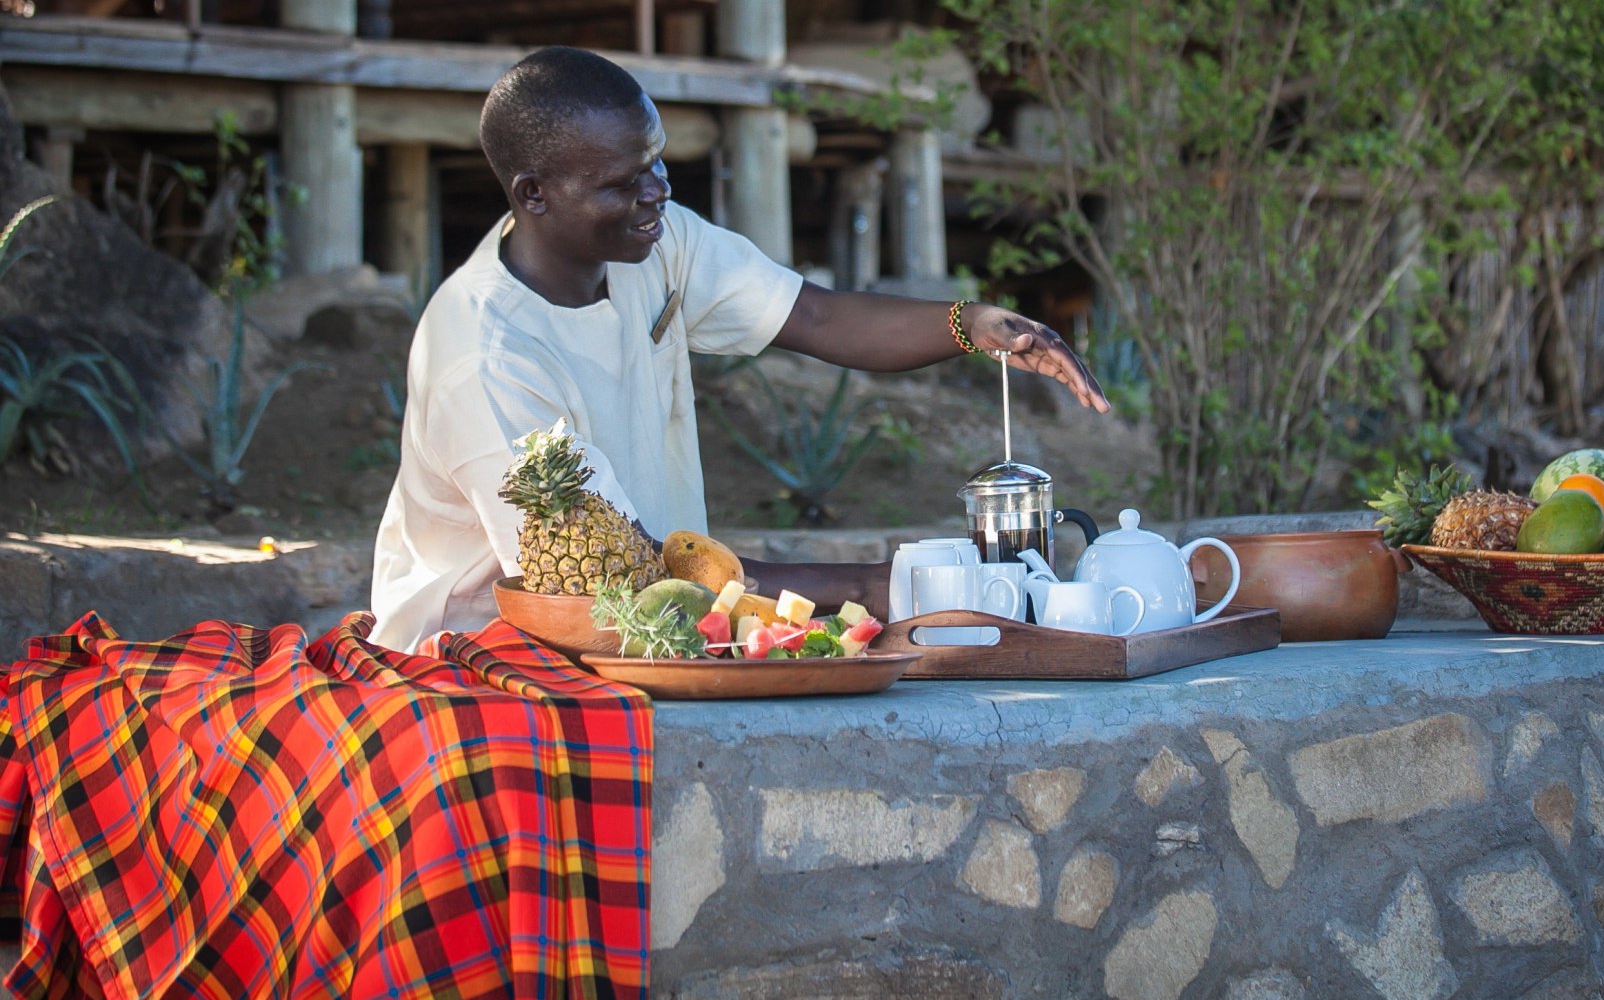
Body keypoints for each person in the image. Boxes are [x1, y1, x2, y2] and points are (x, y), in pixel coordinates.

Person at [369, 46, 1108, 651]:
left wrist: (972, 323)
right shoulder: (487, 359)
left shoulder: (653, 243)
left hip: (659, 613)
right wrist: (873, 588)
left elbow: (814, 315)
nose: (657, 192)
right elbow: (607, 586)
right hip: (489, 646)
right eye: (622, 182)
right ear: (534, 195)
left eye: (656, 162)